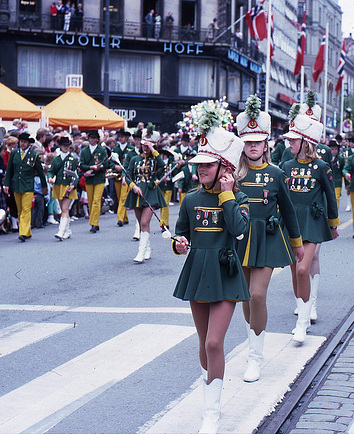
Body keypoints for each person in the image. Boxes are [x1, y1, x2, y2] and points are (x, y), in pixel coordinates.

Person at [171, 111, 249, 434]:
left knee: (215, 342)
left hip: (226, 272)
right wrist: (178, 244)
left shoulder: (239, 197)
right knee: (204, 345)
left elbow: (239, 228)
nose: (201, 169)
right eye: (199, 165)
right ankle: (210, 393)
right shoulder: (189, 199)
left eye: (208, 164)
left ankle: (212, 413)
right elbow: (179, 236)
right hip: (197, 273)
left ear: (225, 168)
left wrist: (228, 194)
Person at [235, 95, 304, 382]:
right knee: (244, 300)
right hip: (239, 240)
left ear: (266, 145)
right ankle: (255, 335)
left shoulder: (276, 174)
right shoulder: (233, 175)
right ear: (242, 145)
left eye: (257, 142)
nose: (252, 147)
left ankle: (255, 357)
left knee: (257, 294)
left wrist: (297, 244)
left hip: (267, 239)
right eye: (248, 142)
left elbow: (288, 210)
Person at [282, 104, 339, 344]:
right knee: (296, 271)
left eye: (293, 140)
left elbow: (330, 196)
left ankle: (302, 323)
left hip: (313, 223)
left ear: (306, 142)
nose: (289, 144)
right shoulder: (286, 166)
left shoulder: (321, 167)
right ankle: (302, 310)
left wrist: (333, 225)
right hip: (292, 223)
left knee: (304, 268)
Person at [125, 124, 166, 263]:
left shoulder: (155, 159)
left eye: (148, 145)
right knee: (140, 222)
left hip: (150, 192)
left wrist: (153, 150)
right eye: (143, 144)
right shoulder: (134, 159)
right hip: (137, 193)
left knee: (144, 222)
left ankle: (140, 252)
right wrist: (133, 186)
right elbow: (128, 175)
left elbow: (162, 166)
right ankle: (147, 247)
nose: (145, 147)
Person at [4, 132, 47, 242]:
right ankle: (27, 231)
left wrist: (44, 185)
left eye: (25, 142)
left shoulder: (34, 155)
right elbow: (9, 170)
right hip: (16, 185)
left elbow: (41, 172)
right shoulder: (14, 153)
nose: (23, 144)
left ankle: (22, 232)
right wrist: (7, 184)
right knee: (20, 209)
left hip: (28, 185)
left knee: (26, 209)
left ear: (29, 144)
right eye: (21, 142)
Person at [79, 130, 111, 233]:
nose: (92, 140)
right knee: (91, 201)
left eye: (94, 138)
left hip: (99, 178)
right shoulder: (84, 151)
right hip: (89, 178)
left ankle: (94, 223)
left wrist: (98, 167)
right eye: (91, 138)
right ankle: (94, 222)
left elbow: (105, 163)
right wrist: (89, 168)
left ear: (97, 139)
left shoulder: (102, 150)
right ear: (88, 139)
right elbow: (81, 164)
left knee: (97, 200)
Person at [48, 136, 78, 240]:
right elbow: (51, 170)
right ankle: (68, 230)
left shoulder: (73, 159)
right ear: (60, 146)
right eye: (63, 145)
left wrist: (74, 185)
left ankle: (61, 231)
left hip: (69, 186)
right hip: (58, 185)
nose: (65, 147)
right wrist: (50, 177)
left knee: (65, 209)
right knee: (63, 210)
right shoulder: (56, 159)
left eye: (67, 146)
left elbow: (76, 174)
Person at [112, 129, 134, 227]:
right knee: (118, 196)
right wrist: (115, 166)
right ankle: (125, 218)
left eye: (122, 137)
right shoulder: (115, 149)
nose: (120, 139)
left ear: (126, 138)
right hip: (117, 174)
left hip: (127, 175)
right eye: (119, 137)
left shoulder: (131, 149)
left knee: (123, 197)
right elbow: (110, 161)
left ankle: (120, 218)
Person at [328, 139, 345, 208]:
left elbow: (343, 170)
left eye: (335, 149)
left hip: (337, 181)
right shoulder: (327, 158)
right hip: (329, 181)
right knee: (329, 198)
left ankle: (335, 213)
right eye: (332, 149)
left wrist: (346, 183)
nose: (334, 151)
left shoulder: (340, 159)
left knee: (336, 198)